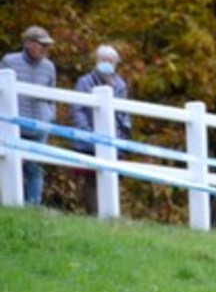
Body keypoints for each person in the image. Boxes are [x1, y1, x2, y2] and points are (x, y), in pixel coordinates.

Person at [70, 44, 132, 215]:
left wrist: (122, 135)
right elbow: (77, 110)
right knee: (91, 180)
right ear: (96, 61)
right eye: (103, 60)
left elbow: (124, 114)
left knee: (112, 178)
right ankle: (93, 214)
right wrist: (88, 133)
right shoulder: (84, 82)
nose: (107, 64)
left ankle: (110, 214)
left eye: (111, 61)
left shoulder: (120, 85)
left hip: (114, 141)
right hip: (88, 141)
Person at [2, 26, 57, 206]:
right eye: (41, 44)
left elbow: (51, 95)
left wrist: (50, 117)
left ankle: (33, 206)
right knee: (11, 166)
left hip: (39, 126)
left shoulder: (49, 67)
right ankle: (12, 204)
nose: (45, 49)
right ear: (28, 44)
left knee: (35, 168)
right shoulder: (10, 62)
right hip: (14, 125)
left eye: (46, 45)